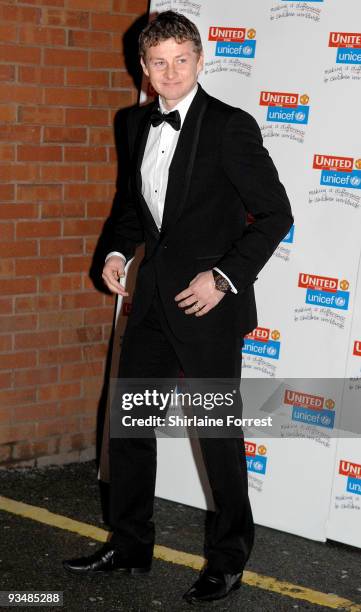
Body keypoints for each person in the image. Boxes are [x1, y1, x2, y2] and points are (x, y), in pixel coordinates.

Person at [63, 10, 293, 604]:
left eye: (180, 60)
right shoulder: (132, 123)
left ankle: (228, 558)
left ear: (199, 61)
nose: (169, 72)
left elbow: (275, 214)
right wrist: (115, 252)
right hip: (150, 305)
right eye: (158, 62)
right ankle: (130, 543)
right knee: (131, 426)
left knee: (217, 433)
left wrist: (223, 278)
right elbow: (130, 205)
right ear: (144, 67)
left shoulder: (230, 126)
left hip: (208, 307)